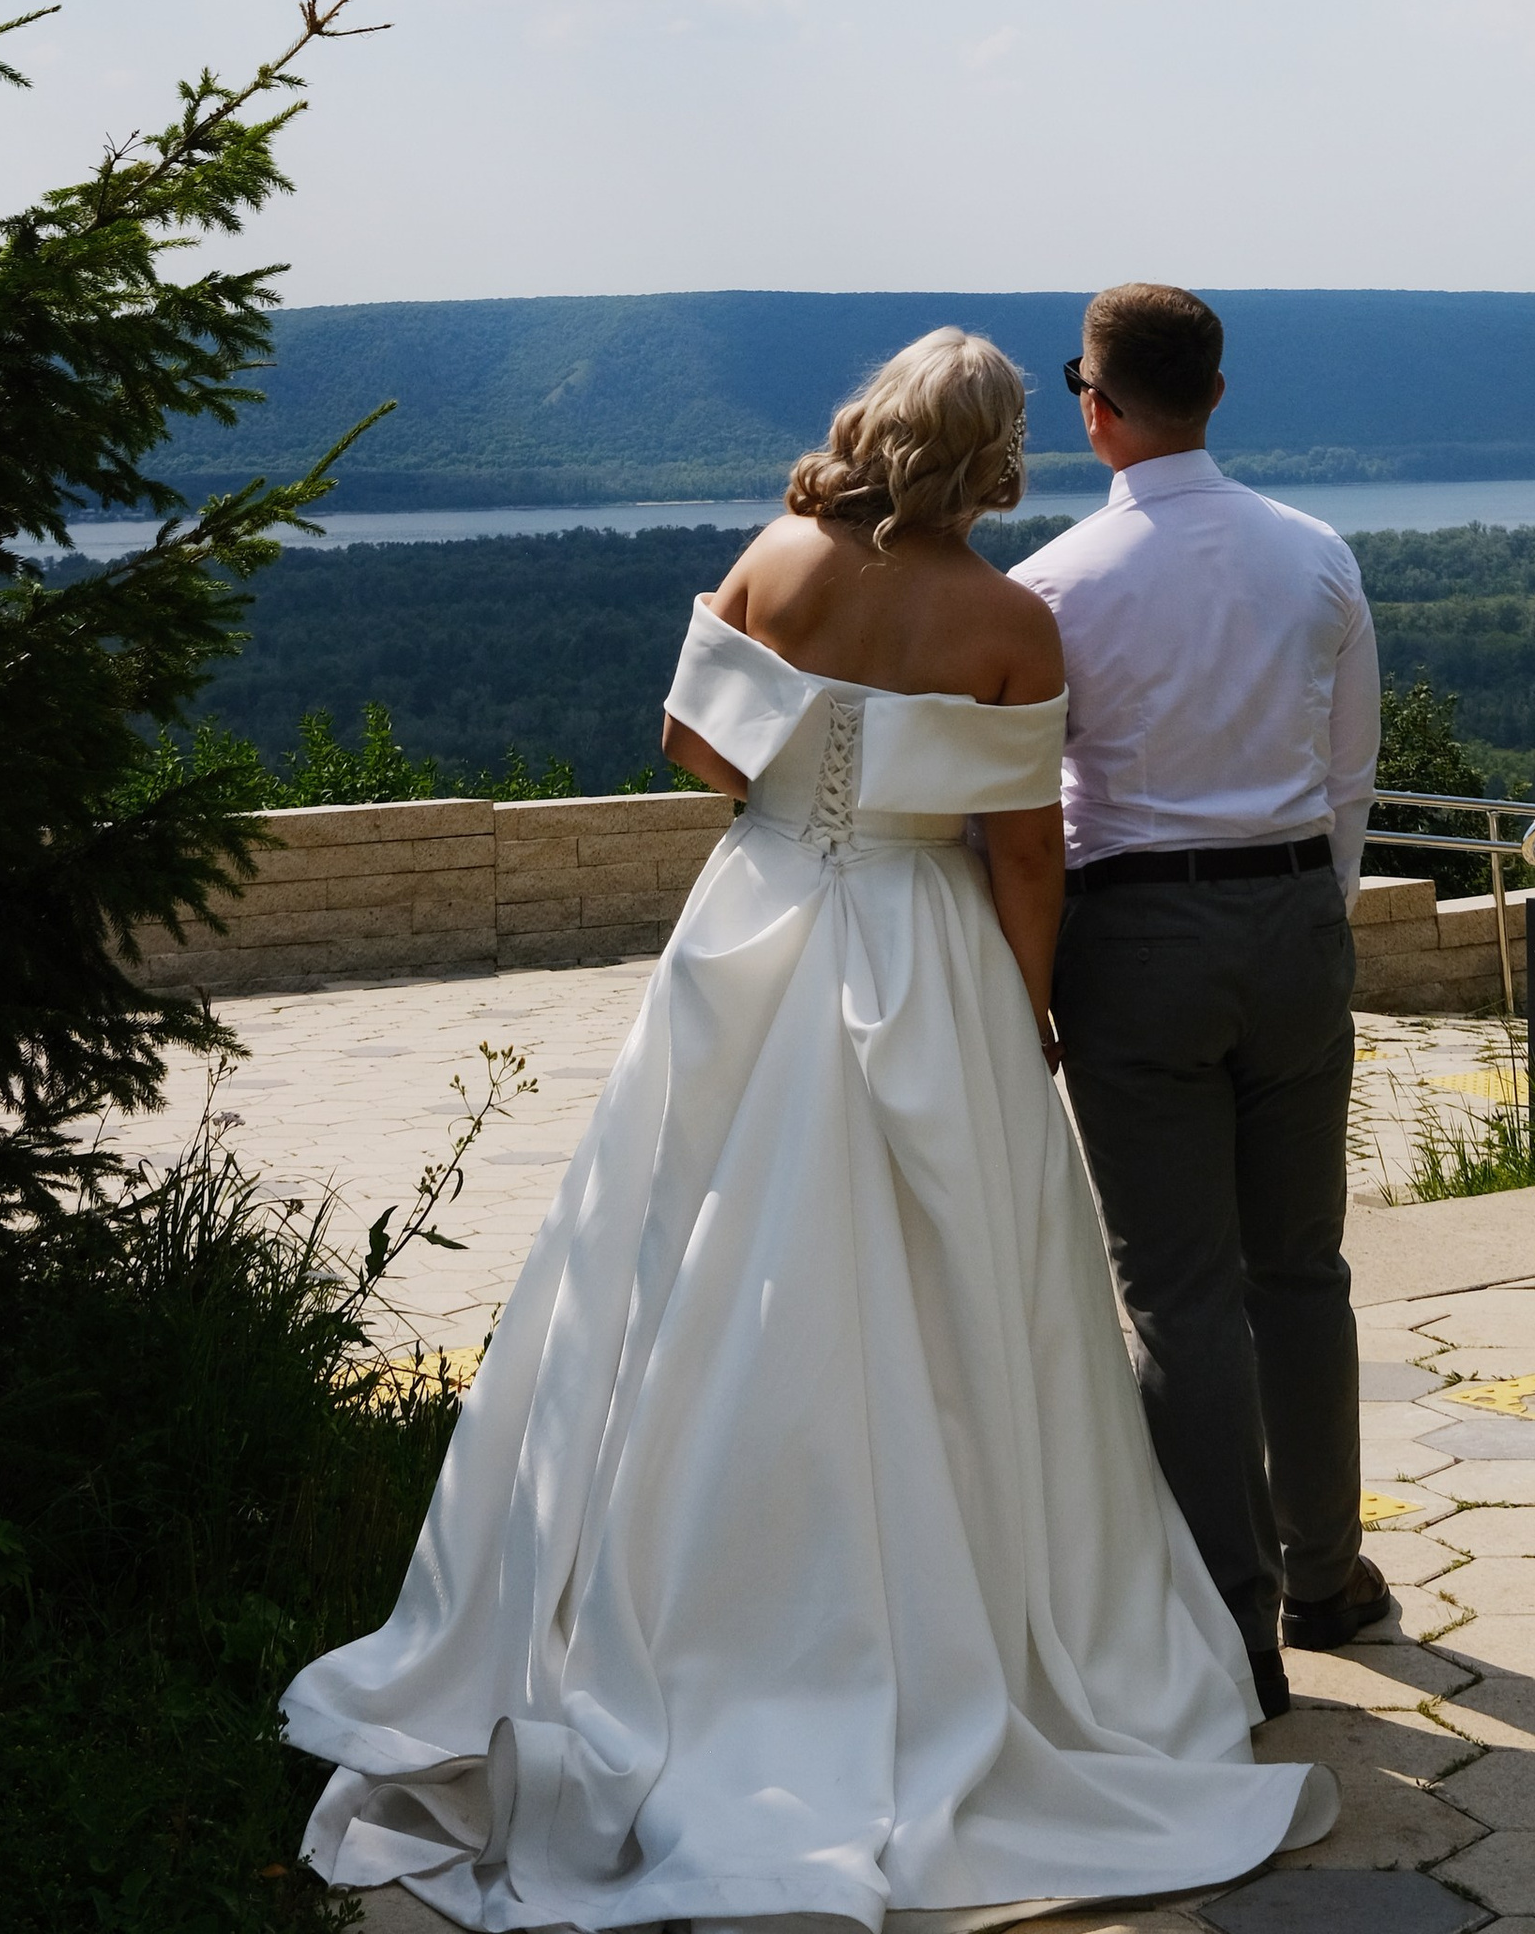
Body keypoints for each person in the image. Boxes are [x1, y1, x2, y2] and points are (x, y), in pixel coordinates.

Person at [283, 327, 1336, 1931]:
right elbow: (1027, 855)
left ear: (870, 426)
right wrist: (1028, 1013)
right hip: (925, 952)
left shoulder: (771, 559)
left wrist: (801, 805)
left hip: (755, 924)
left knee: (679, 1252)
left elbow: (692, 749)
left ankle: (667, 1603)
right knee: (960, 1282)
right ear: (995, 455)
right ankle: (957, 1625)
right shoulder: (1009, 620)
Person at [1012, 285, 1390, 1721]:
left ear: (1094, 404)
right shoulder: (1318, 555)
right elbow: (1352, 768)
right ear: (1219, 395)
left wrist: (1038, 981)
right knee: (1302, 1268)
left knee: (1176, 1294)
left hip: (1135, 935)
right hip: (1294, 913)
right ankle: (1327, 1571)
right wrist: (1314, 908)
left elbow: (1035, 816)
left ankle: (1230, 1631)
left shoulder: (1054, 585)